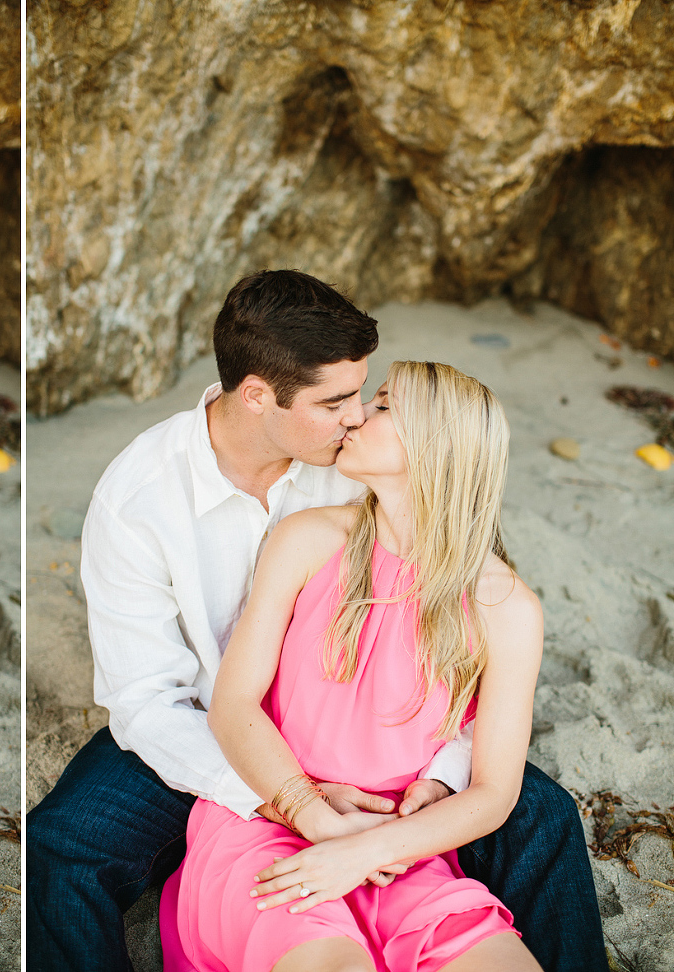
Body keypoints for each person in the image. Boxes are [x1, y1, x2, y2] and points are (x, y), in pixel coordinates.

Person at [26, 269, 606, 972]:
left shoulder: (349, 463)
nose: (355, 414)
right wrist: (288, 801)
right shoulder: (140, 498)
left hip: (385, 740)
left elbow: (453, 619)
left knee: (541, 816)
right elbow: (146, 700)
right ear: (258, 396)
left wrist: (442, 776)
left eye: (366, 395)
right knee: (58, 846)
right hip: (206, 722)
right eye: (336, 400)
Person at [162, 360, 541, 971]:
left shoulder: (507, 607)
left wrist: (367, 850)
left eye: (385, 405)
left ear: (435, 446)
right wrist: (315, 819)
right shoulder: (307, 541)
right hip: (267, 817)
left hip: (399, 847)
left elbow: (496, 791)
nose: (359, 414)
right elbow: (232, 708)